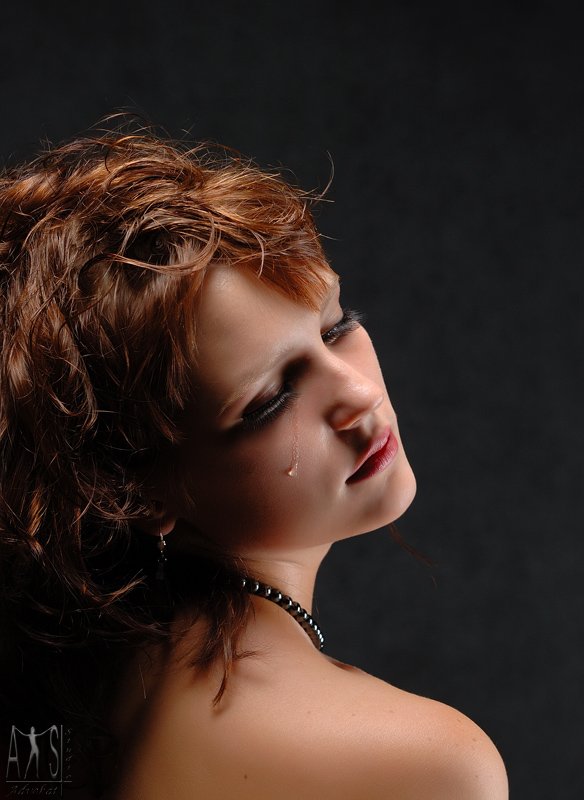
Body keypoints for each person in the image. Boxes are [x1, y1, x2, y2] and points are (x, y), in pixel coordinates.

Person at [0, 122, 508, 799]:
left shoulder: (49, 717)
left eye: (336, 325)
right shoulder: (428, 765)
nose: (359, 395)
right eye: (270, 399)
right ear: (136, 490)